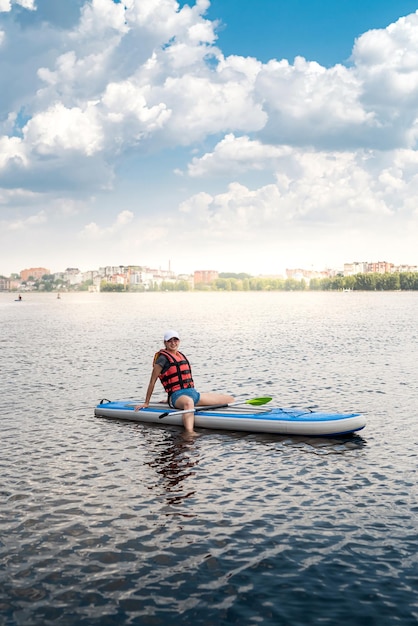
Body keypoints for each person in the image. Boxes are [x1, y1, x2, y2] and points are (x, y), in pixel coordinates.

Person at [135, 330, 234, 434]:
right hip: (177, 397)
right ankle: (189, 433)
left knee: (229, 399)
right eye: (170, 341)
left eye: (175, 340)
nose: (173, 343)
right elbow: (152, 382)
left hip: (193, 394)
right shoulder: (162, 359)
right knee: (188, 403)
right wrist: (146, 403)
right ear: (165, 342)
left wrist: (167, 399)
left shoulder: (180, 355)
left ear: (179, 341)